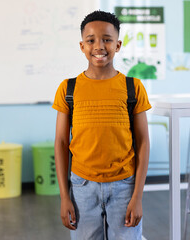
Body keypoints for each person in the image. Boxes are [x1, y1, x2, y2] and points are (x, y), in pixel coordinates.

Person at [52, 10, 151, 240]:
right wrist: (64, 197)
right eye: (91, 40)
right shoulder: (68, 89)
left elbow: (144, 141)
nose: (99, 46)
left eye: (107, 39)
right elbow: (60, 142)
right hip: (82, 187)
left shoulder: (132, 87)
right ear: (82, 46)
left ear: (117, 45)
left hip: (125, 187)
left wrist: (137, 197)